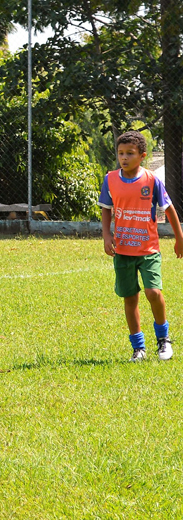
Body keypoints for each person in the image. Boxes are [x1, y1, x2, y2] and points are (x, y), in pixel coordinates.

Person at [99, 130, 183, 361]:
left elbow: (169, 209)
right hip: (123, 250)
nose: (124, 158)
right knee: (130, 298)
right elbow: (106, 209)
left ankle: (163, 340)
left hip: (148, 250)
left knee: (153, 292)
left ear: (142, 156)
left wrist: (180, 238)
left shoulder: (151, 180)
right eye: (120, 153)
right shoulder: (110, 179)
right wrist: (107, 235)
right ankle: (139, 348)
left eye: (130, 153)